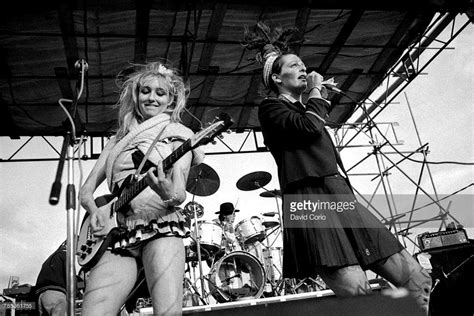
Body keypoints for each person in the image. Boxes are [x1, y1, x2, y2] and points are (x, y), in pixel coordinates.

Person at [245, 23, 432, 313]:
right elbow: (308, 128)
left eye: (304, 64)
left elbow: (310, 124)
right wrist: (317, 93)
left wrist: (315, 98)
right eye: (295, 65)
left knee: (418, 278)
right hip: (307, 197)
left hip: (337, 191)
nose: (304, 68)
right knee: (360, 296)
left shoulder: (305, 107)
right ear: (277, 78)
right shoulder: (271, 108)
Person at [79, 61, 204, 315]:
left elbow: (178, 194)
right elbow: (85, 192)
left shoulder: (179, 133)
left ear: (171, 100)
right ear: (136, 95)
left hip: (161, 225)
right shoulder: (116, 141)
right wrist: (96, 213)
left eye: (161, 93)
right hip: (119, 233)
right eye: (146, 91)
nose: (152, 98)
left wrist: (167, 192)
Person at [35, 242, 67, 316]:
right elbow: (70, 274)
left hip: (41, 295)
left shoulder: (52, 257)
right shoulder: (65, 255)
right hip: (56, 294)